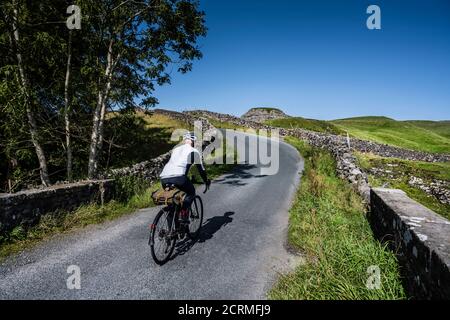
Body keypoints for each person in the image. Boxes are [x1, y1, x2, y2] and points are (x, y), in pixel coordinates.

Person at [160, 132, 210, 222]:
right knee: (191, 193)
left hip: (164, 177)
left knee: (172, 203)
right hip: (179, 177)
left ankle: (171, 232)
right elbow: (201, 170)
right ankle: (184, 215)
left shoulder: (176, 149)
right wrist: (206, 181)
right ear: (193, 141)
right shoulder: (194, 151)